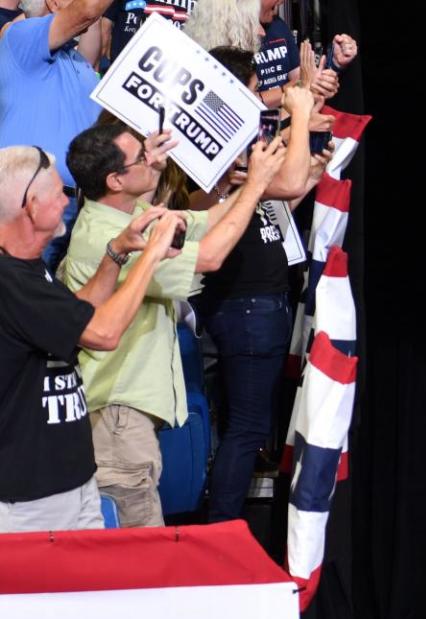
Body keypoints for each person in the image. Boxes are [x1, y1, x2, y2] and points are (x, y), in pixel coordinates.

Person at [59, 122, 286, 527]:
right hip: (115, 417)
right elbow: (210, 257)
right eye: (142, 157)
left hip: (126, 416)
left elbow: (204, 223)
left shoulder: (132, 214)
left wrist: (248, 186)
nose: (153, 157)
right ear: (115, 179)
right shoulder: (106, 235)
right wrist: (254, 187)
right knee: (136, 556)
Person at [0, 144, 184, 533]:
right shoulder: (8, 281)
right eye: (60, 193)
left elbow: (76, 316)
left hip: (74, 478)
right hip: (29, 496)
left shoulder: (29, 271)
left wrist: (116, 253)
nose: (69, 201)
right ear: (32, 206)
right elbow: (102, 333)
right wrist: (151, 254)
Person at [189, 46, 332, 523]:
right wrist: (300, 112)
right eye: (250, 91)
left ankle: (222, 527)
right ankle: (223, 531)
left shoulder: (238, 149)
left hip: (255, 302)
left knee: (244, 425)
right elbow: (282, 185)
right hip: (245, 305)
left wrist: (310, 168)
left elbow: (276, 205)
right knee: (246, 429)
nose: (257, 101)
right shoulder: (217, 153)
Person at [0, 0, 115, 270]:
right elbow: (86, 11)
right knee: (19, 303)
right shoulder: (21, 38)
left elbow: (89, 18)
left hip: (79, 206)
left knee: (52, 307)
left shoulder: (78, 61)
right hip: (28, 204)